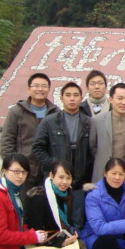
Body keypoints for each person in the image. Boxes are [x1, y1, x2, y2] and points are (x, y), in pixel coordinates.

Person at [33, 82, 93, 230]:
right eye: (68, 95)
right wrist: (54, 166)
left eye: (76, 95)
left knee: (77, 221)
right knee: (56, 220)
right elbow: (38, 148)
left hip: (79, 181)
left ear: (81, 98)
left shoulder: (88, 122)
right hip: (56, 180)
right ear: (61, 98)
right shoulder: (50, 121)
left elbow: (93, 150)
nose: (72, 99)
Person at [24, 160, 81, 249]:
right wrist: (60, 242)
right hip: (42, 242)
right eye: (61, 177)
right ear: (51, 175)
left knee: (82, 246)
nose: (64, 182)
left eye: (68, 178)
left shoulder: (69, 196)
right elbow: (36, 230)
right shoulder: (39, 197)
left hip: (59, 238)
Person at [0, 73, 60, 188]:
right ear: (28, 89)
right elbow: (7, 140)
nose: (40, 89)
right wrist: (13, 166)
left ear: (49, 89)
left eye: (44, 86)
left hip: (48, 170)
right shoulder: (17, 111)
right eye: (36, 86)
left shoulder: (56, 113)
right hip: (23, 170)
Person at [90, 83, 125, 183]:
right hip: (103, 175)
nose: (124, 102)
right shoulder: (97, 121)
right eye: (120, 98)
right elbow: (92, 147)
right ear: (110, 99)